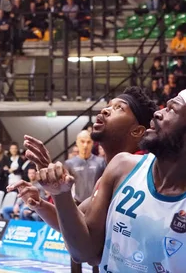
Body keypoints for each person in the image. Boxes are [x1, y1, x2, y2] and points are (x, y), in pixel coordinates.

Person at [29, 89, 186, 271]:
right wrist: (56, 194)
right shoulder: (121, 167)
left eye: (172, 109)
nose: (158, 113)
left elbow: (80, 233)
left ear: (137, 130)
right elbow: (81, 237)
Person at [10, 87, 156, 233]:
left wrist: (60, 193)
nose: (105, 110)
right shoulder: (112, 172)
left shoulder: (142, 168)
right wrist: (39, 204)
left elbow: (85, 248)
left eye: (119, 108)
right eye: (108, 105)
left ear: (137, 131)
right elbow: (75, 222)